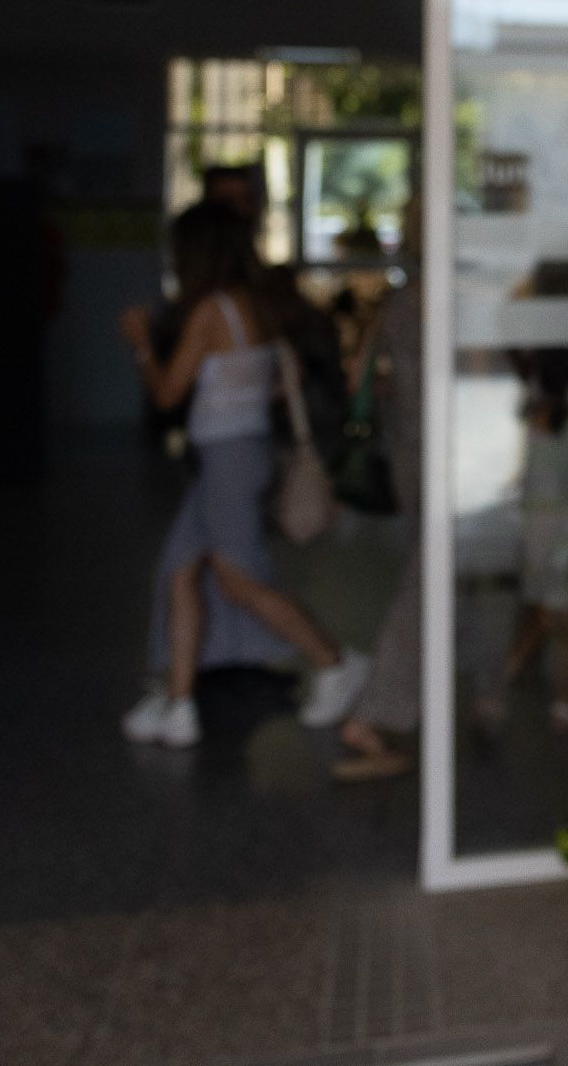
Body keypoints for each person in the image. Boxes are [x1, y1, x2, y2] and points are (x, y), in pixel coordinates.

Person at [116, 200, 371, 749]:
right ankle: (179, 703)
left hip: (226, 459)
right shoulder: (256, 304)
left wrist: (140, 343)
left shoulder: (211, 311)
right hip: (239, 453)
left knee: (237, 582)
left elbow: (167, 394)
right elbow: (283, 376)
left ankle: (335, 662)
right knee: (182, 571)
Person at [481, 347, 568, 731]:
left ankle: (494, 692)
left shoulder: (531, 420)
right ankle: (565, 705)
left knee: (542, 616)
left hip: (536, 531)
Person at [336, 253, 426, 782]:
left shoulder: (396, 304)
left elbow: (359, 380)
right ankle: (374, 711)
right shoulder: (445, 299)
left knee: (437, 575)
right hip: (445, 455)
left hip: (407, 454)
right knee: (428, 581)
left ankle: (490, 687)